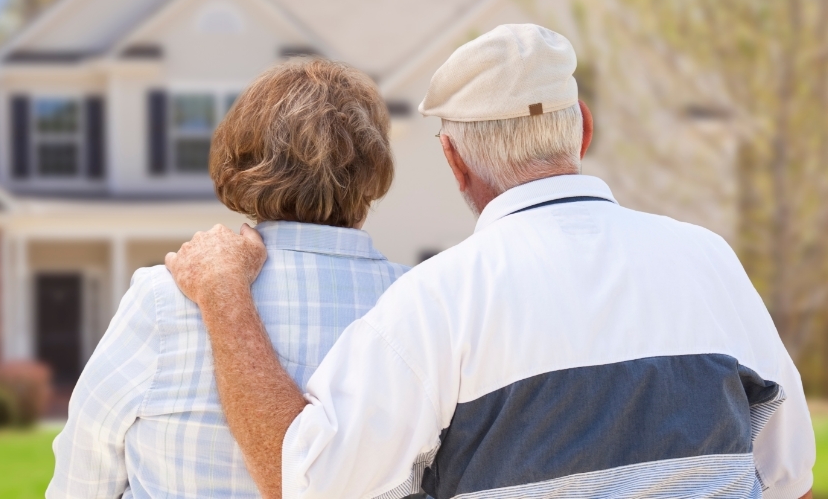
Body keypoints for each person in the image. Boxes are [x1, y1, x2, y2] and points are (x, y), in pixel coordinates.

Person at [164, 24, 816, 499]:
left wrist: (225, 295)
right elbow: (789, 469)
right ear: (582, 128)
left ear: (454, 162)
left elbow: (308, 485)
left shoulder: (440, 301)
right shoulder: (707, 260)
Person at [47, 58, 410, 498]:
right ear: (373, 171)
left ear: (242, 161)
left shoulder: (168, 298)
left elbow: (82, 478)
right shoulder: (418, 304)